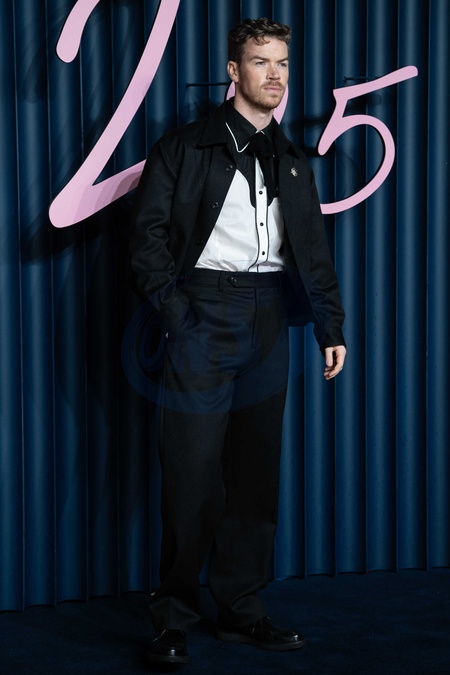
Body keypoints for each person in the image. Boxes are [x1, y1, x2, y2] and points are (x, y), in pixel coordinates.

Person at [130, 17, 346, 666]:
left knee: (254, 480)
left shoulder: (293, 160)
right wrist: (178, 314)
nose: (275, 75)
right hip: (203, 315)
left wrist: (331, 326)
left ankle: (241, 610)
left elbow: (312, 250)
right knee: (191, 479)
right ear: (233, 71)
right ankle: (172, 618)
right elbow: (146, 241)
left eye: (282, 63)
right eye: (260, 62)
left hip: (269, 320)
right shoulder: (183, 148)